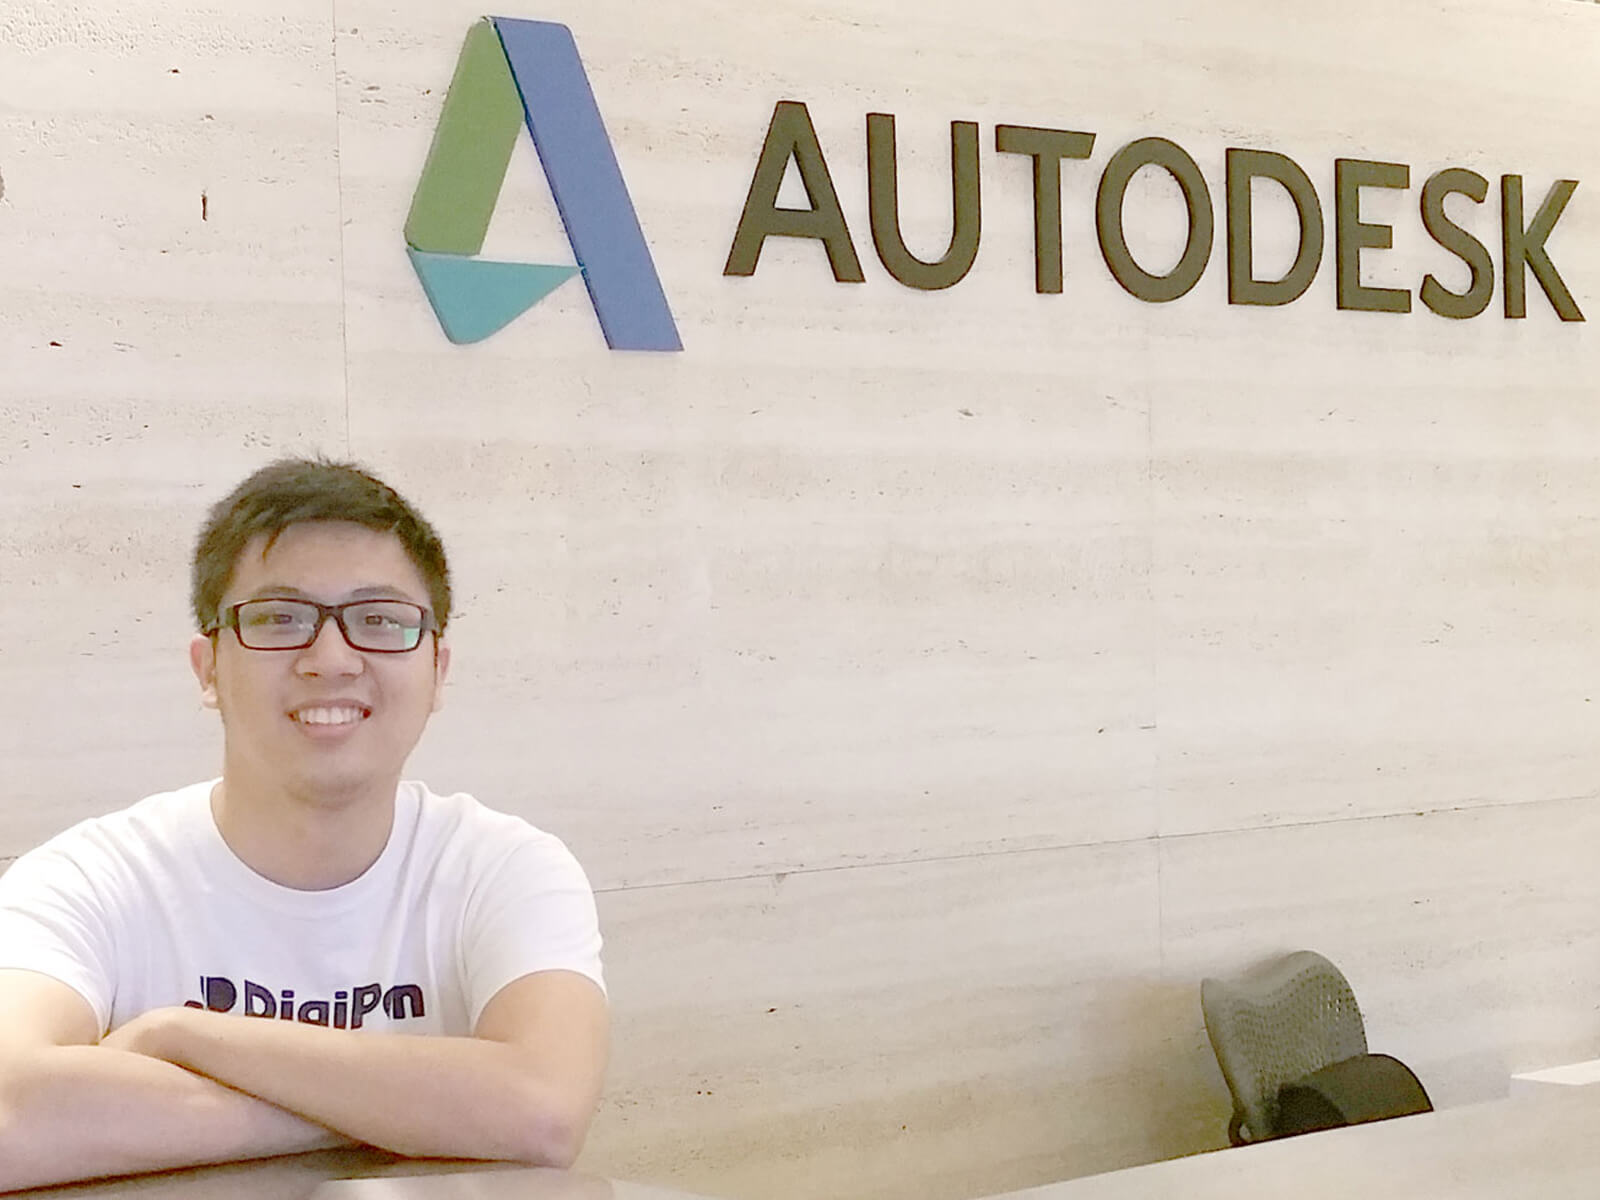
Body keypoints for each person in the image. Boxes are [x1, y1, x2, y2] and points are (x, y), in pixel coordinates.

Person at [0, 458, 608, 1192]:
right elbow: (10, 1117)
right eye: (278, 618)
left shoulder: (505, 869)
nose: (331, 658)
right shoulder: (90, 879)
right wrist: (416, 1107)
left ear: (438, 669)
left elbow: (542, 1111)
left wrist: (181, 1033)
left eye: (380, 620)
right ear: (208, 668)